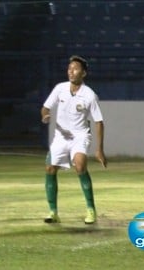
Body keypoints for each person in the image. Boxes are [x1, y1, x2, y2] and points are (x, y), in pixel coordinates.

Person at [41, 55, 107, 225]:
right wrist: (45, 115)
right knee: (49, 168)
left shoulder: (89, 95)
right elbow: (45, 107)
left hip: (80, 135)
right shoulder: (60, 89)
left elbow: (99, 122)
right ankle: (53, 211)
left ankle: (91, 209)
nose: (71, 71)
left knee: (80, 164)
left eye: (75, 69)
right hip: (61, 136)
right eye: (69, 68)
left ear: (83, 73)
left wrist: (99, 149)